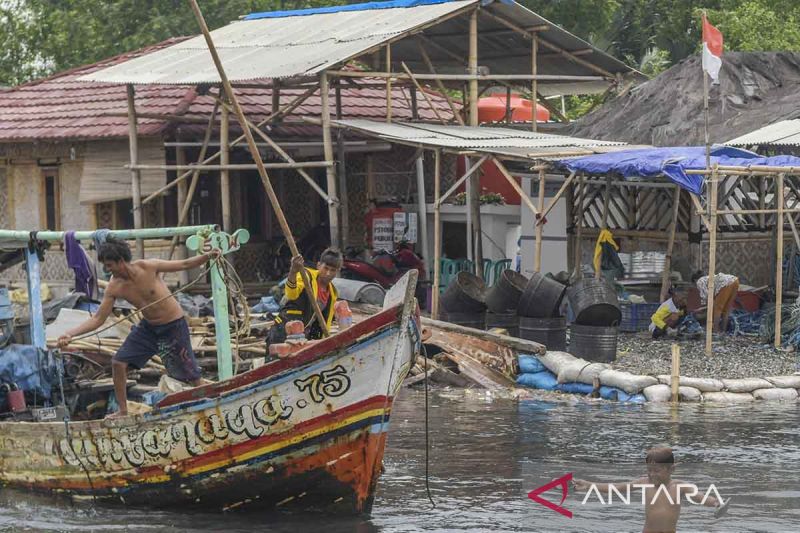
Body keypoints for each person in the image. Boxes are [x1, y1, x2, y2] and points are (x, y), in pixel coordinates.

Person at [57, 236, 217, 418]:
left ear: (121, 261)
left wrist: (208, 256)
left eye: (110, 265)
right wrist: (70, 333)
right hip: (149, 328)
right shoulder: (114, 287)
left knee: (191, 374)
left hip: (173, 326)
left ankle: (213, 406)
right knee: (118, 362)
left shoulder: (148, 267)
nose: (107, 270)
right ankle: (123, 410)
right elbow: (98, 319)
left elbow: (185, 264)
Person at [573, 447, 727, 533]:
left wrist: (715, 503)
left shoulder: (680, 487)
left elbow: (700, 497)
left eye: (657, 470)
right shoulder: (645, 483)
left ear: (671, 469)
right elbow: (617, 488)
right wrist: (588, 485)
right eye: (649, 470)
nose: (652, 474)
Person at [267, 248, 342, 346]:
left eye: (332, 270)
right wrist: (293, 271)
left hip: (303, 337)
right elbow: (291, 294)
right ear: (319, 265)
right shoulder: (306, 276)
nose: (328, 273)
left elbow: (325, 322)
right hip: (284, 331)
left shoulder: (333, 293)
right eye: (326, 268)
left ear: (337, 271)